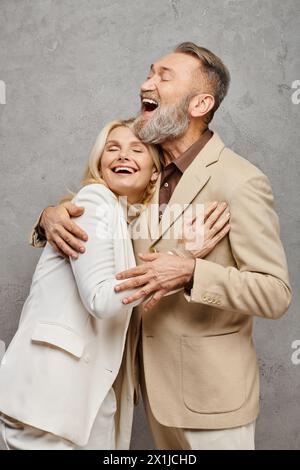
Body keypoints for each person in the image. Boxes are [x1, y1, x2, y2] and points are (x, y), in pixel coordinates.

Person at [29, 42, 292, 450]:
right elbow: (98, 218)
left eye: (163, 77)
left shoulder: (240, 180)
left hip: (214, 399)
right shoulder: (146, 175)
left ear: (200, 103)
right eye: (149, 73)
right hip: (149, 393)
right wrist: (49, 216)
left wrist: (191, 272)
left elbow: (275, 293)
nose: (145, 83)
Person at [0, 119, 229, 450]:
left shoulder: (125, 221)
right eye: (113, 149)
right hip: (50, 400)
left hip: (76, 402)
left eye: (137, 150)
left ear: (155, 171)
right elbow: (101, 300)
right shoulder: (94, 202)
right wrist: (183, 259)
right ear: (99, 163)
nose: (123, 156)